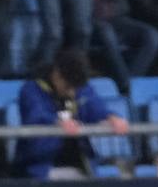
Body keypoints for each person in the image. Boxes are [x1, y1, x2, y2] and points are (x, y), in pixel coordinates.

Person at [14, 49, 130, 179]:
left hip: (80, 164)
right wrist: (57, 123)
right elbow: (35, 115)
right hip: (42, 164)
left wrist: (111, 117)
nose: (72, 93)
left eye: (76, 88)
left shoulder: (80, 86)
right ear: (57, 75)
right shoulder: (31, 90)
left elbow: (95, 106)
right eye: (68, 87)